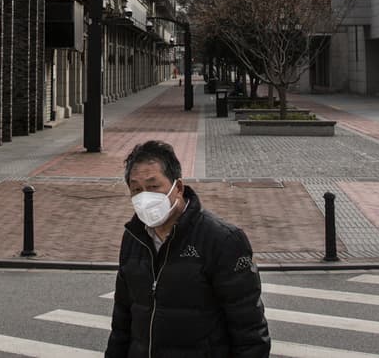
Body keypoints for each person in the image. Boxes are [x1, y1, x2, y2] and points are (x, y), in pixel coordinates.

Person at [105, 139, 270, 357]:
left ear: (178, 188)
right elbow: (122, 322)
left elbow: (249, 333)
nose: (145, 197)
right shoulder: (134, 238)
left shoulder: (222, 240)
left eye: (153, 187)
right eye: (136, 190)